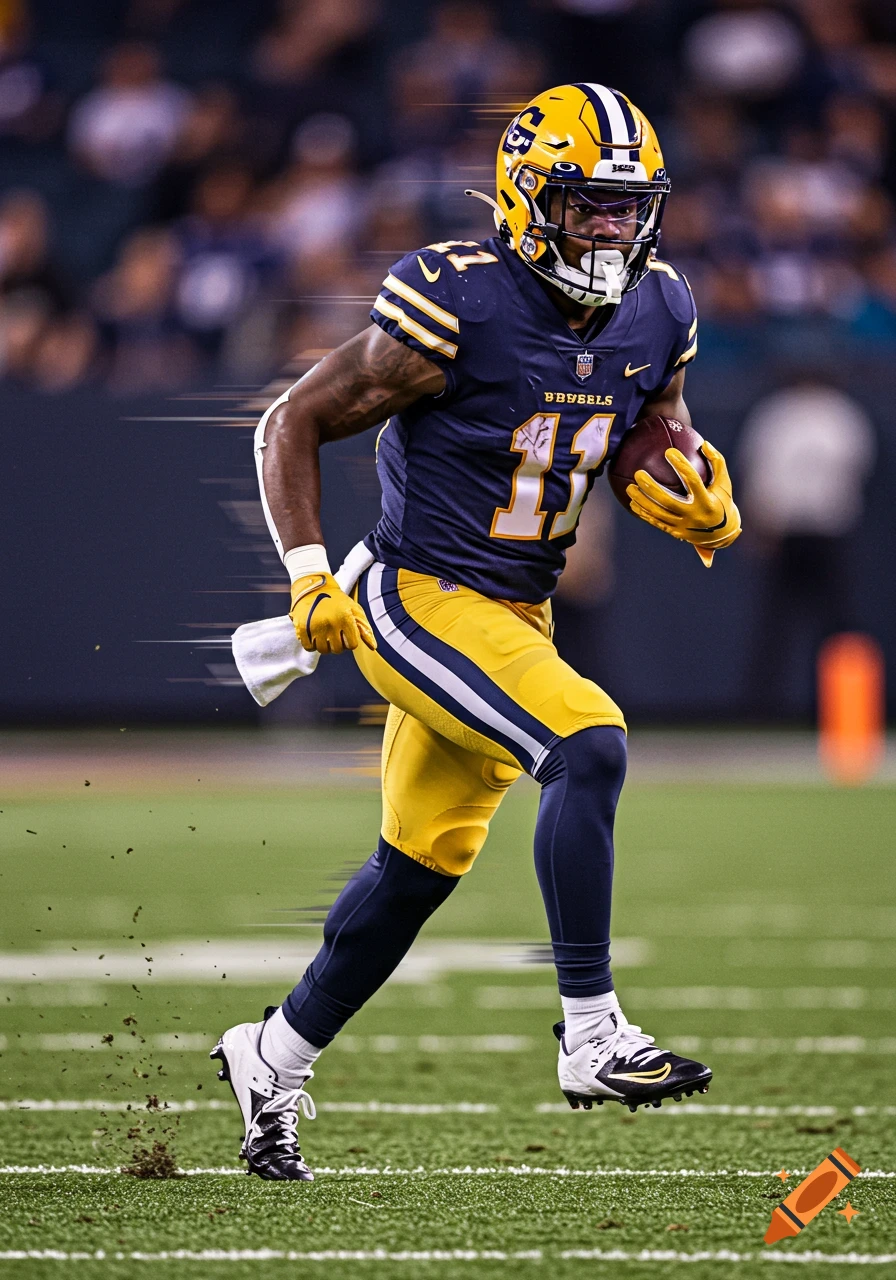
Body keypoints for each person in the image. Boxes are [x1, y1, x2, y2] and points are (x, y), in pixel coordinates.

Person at [211, 83, 741, 1180]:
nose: (613, 228)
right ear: (527, 197)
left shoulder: (659, 307)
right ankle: (591, 1032)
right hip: (416, 593)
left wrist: (691, 486)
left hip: (515, 606)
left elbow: (653, 423)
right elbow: (291, 420)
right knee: (587, 742)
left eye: (629, 206)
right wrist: (307, 576)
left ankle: (272, 1055)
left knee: (418, 865)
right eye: (589, 203)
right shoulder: (460, 300)